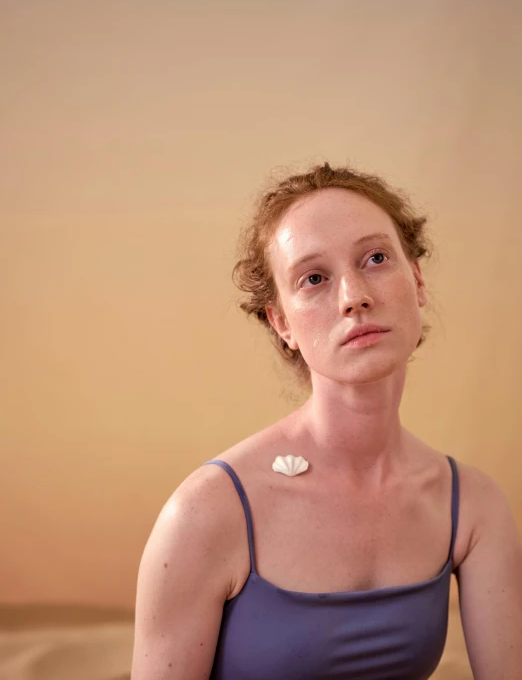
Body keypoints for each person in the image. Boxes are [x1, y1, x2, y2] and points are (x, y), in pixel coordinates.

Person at [131, 161, 522, 679]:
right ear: (282, 323)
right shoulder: (205, 513)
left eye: (377, 258)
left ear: (418, 279)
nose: (353, 296)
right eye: (313, 278)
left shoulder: (472, 508)